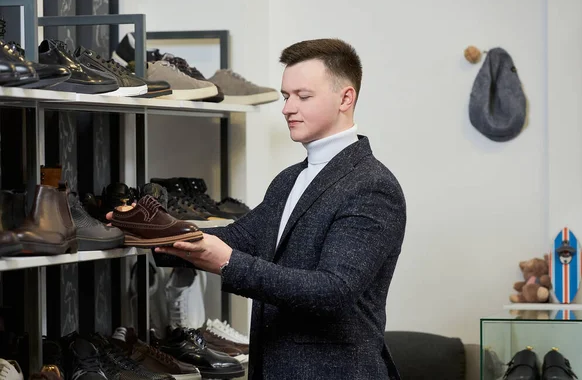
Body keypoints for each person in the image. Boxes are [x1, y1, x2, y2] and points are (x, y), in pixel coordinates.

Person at [119, 38, 407, 379]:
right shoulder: (290, 179)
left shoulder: (372, 186)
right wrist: (152, 232)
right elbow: (241, 236)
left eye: (303, 96)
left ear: (346, 97)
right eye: (287, 96)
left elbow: (334, 291)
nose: (287, 108)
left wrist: (226, 263)